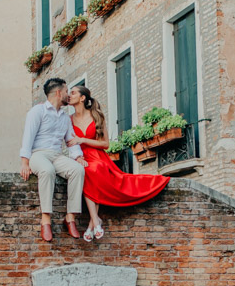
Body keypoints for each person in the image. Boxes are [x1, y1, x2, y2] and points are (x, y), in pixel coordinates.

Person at [67, 85, 170, 242]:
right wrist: (77, 156)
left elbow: (105, 144)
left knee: (94, 169)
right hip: (80, 156)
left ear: (82, 98)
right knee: (85, 170)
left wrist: (83, 140)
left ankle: (92, 222)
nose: (69, 95)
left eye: (73, 92)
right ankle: (95, 221)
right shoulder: (68, 120)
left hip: (97, 155)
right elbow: (70, 143)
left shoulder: (96, 116)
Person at [19, 77, 88, 242]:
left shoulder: (65, 117)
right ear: (58, 92)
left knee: (78, 170)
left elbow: (71, 140)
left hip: (57, 155)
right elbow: (28, 137)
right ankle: (46, 219)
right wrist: (24, 162)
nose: (68, 95)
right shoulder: (38, 111)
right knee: (47, 171)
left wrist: (77, 156)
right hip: (38, 154)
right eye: (66, 91)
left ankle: (70, 217)